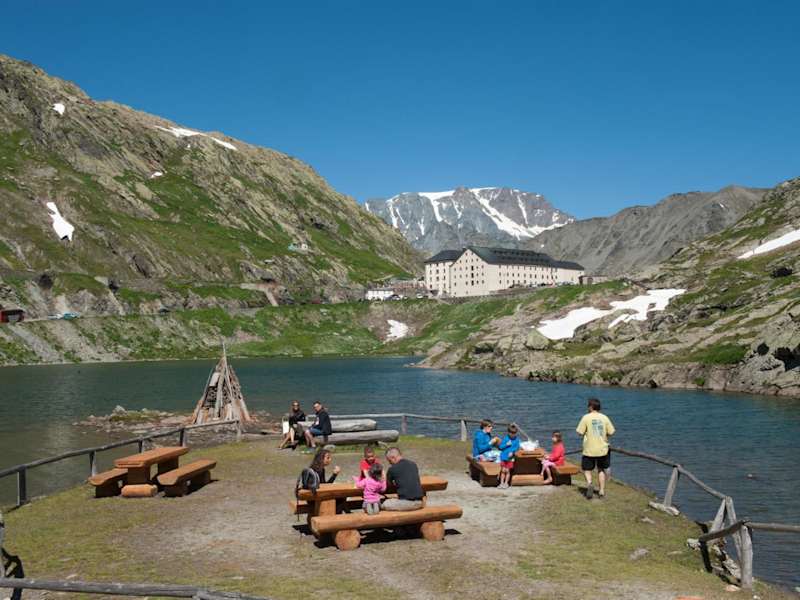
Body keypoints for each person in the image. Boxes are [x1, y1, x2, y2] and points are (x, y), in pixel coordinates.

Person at [576, 398, 615, 499]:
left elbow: (579, 432)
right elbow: (611, 432)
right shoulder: (605, 417)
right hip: (603, 449)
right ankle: (601, 491)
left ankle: (590, 483)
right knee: (601, 469)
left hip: (589, 449)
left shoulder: (586, 417)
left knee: (587, 469)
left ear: (590, 407)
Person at [497, 423, 521, 489]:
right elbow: (500, 447)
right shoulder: (506, 438)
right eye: (511, 433)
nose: (513, 434)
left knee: (507, 471)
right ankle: (501, 483)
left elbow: (517, 447)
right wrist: (506, 444)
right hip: (503, 457)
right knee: (503, 470)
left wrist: (512, 452)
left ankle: (506, 483)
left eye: (514, 433)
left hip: (510, 458)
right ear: (508, 432)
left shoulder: (517, 440)